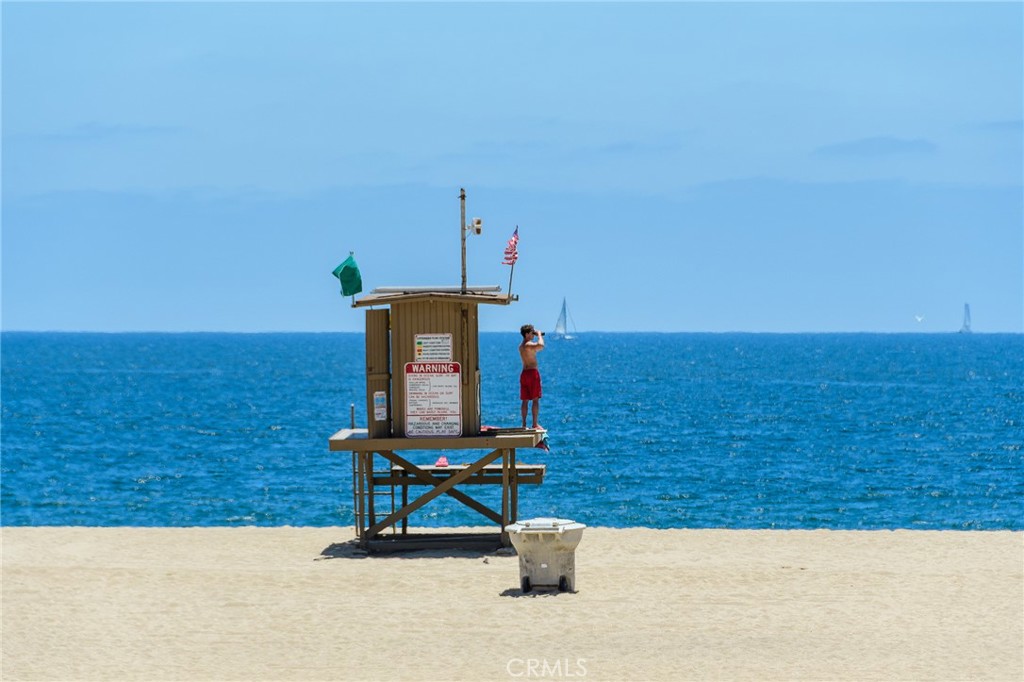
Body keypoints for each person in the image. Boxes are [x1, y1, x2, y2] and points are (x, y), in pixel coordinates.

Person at [519, 323, 545, 429]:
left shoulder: (521, 346)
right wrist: (539, 334)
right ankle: (534, 424)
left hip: (524, 373)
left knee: (525, 400)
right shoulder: (529, 345)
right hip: (532, 373)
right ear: (527, 334)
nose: (533, 334)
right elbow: (541, 346)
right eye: (532, 332)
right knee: (535, 399)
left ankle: (524, 424)